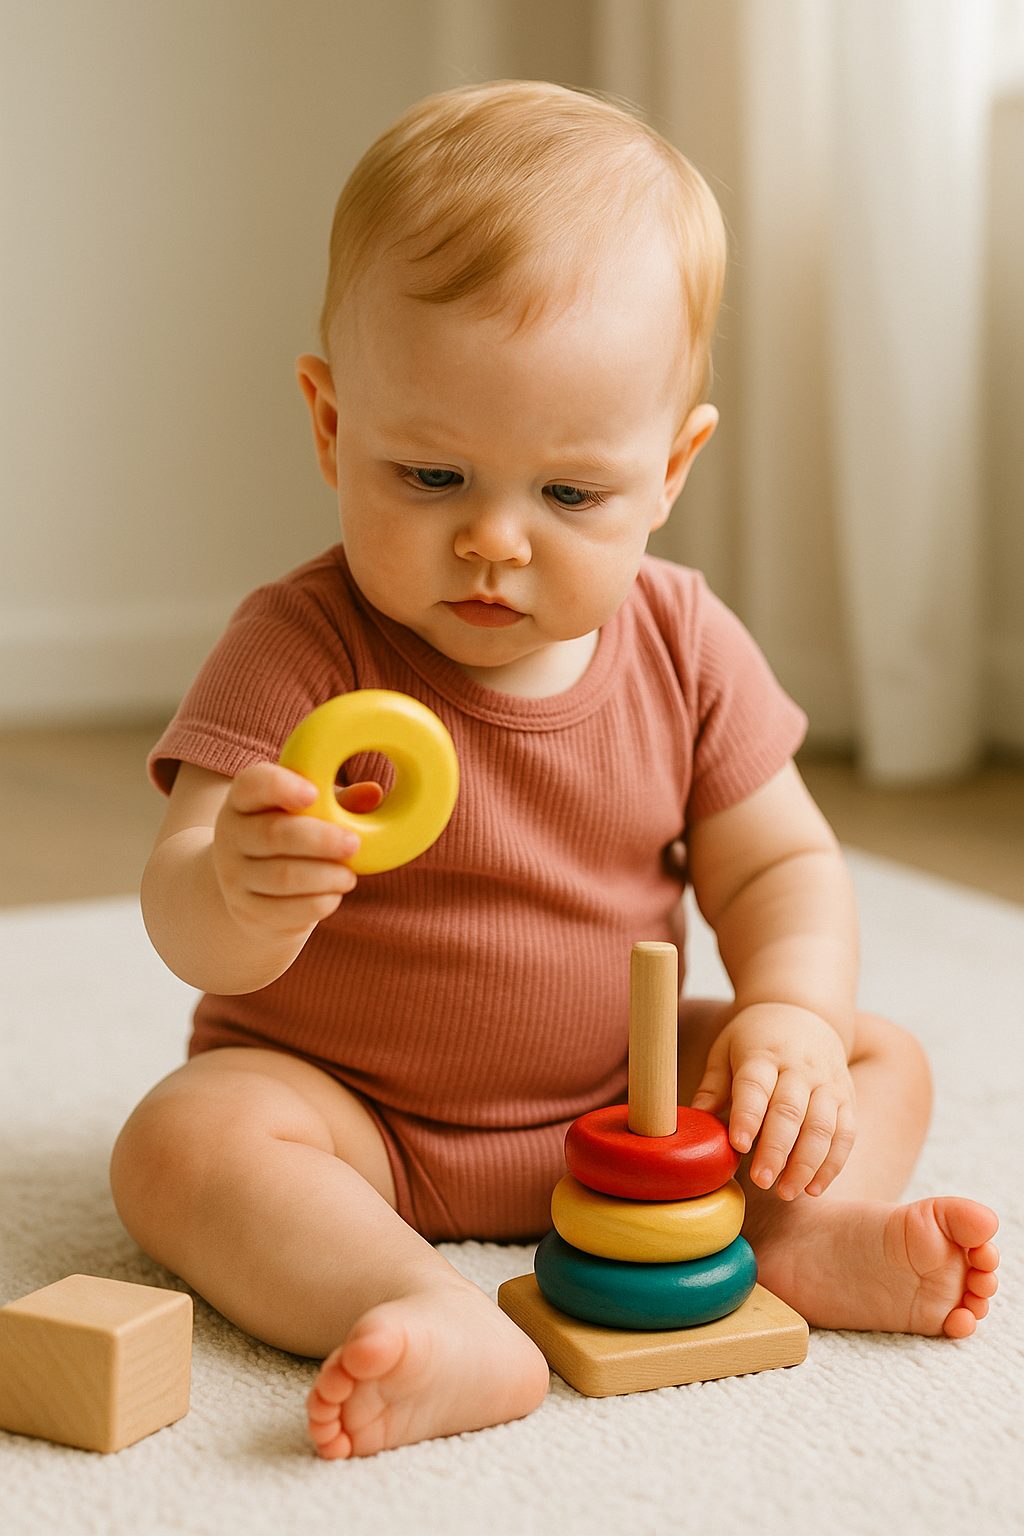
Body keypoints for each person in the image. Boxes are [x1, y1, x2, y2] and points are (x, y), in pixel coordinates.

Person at [109, 80, 999, 1461]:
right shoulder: (299, 644)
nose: (495, 543)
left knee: (876, 1054)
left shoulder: (686, 642)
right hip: (355, 1120)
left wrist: (794, 1015)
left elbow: (782, 864)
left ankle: (800, 1236)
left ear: (670, 468)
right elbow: (183, 918)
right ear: (335, 428)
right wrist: (237, 885)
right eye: (430, 477)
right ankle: (414, 1299)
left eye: (570, 495)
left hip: (628, 1095)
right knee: (181, 1143)